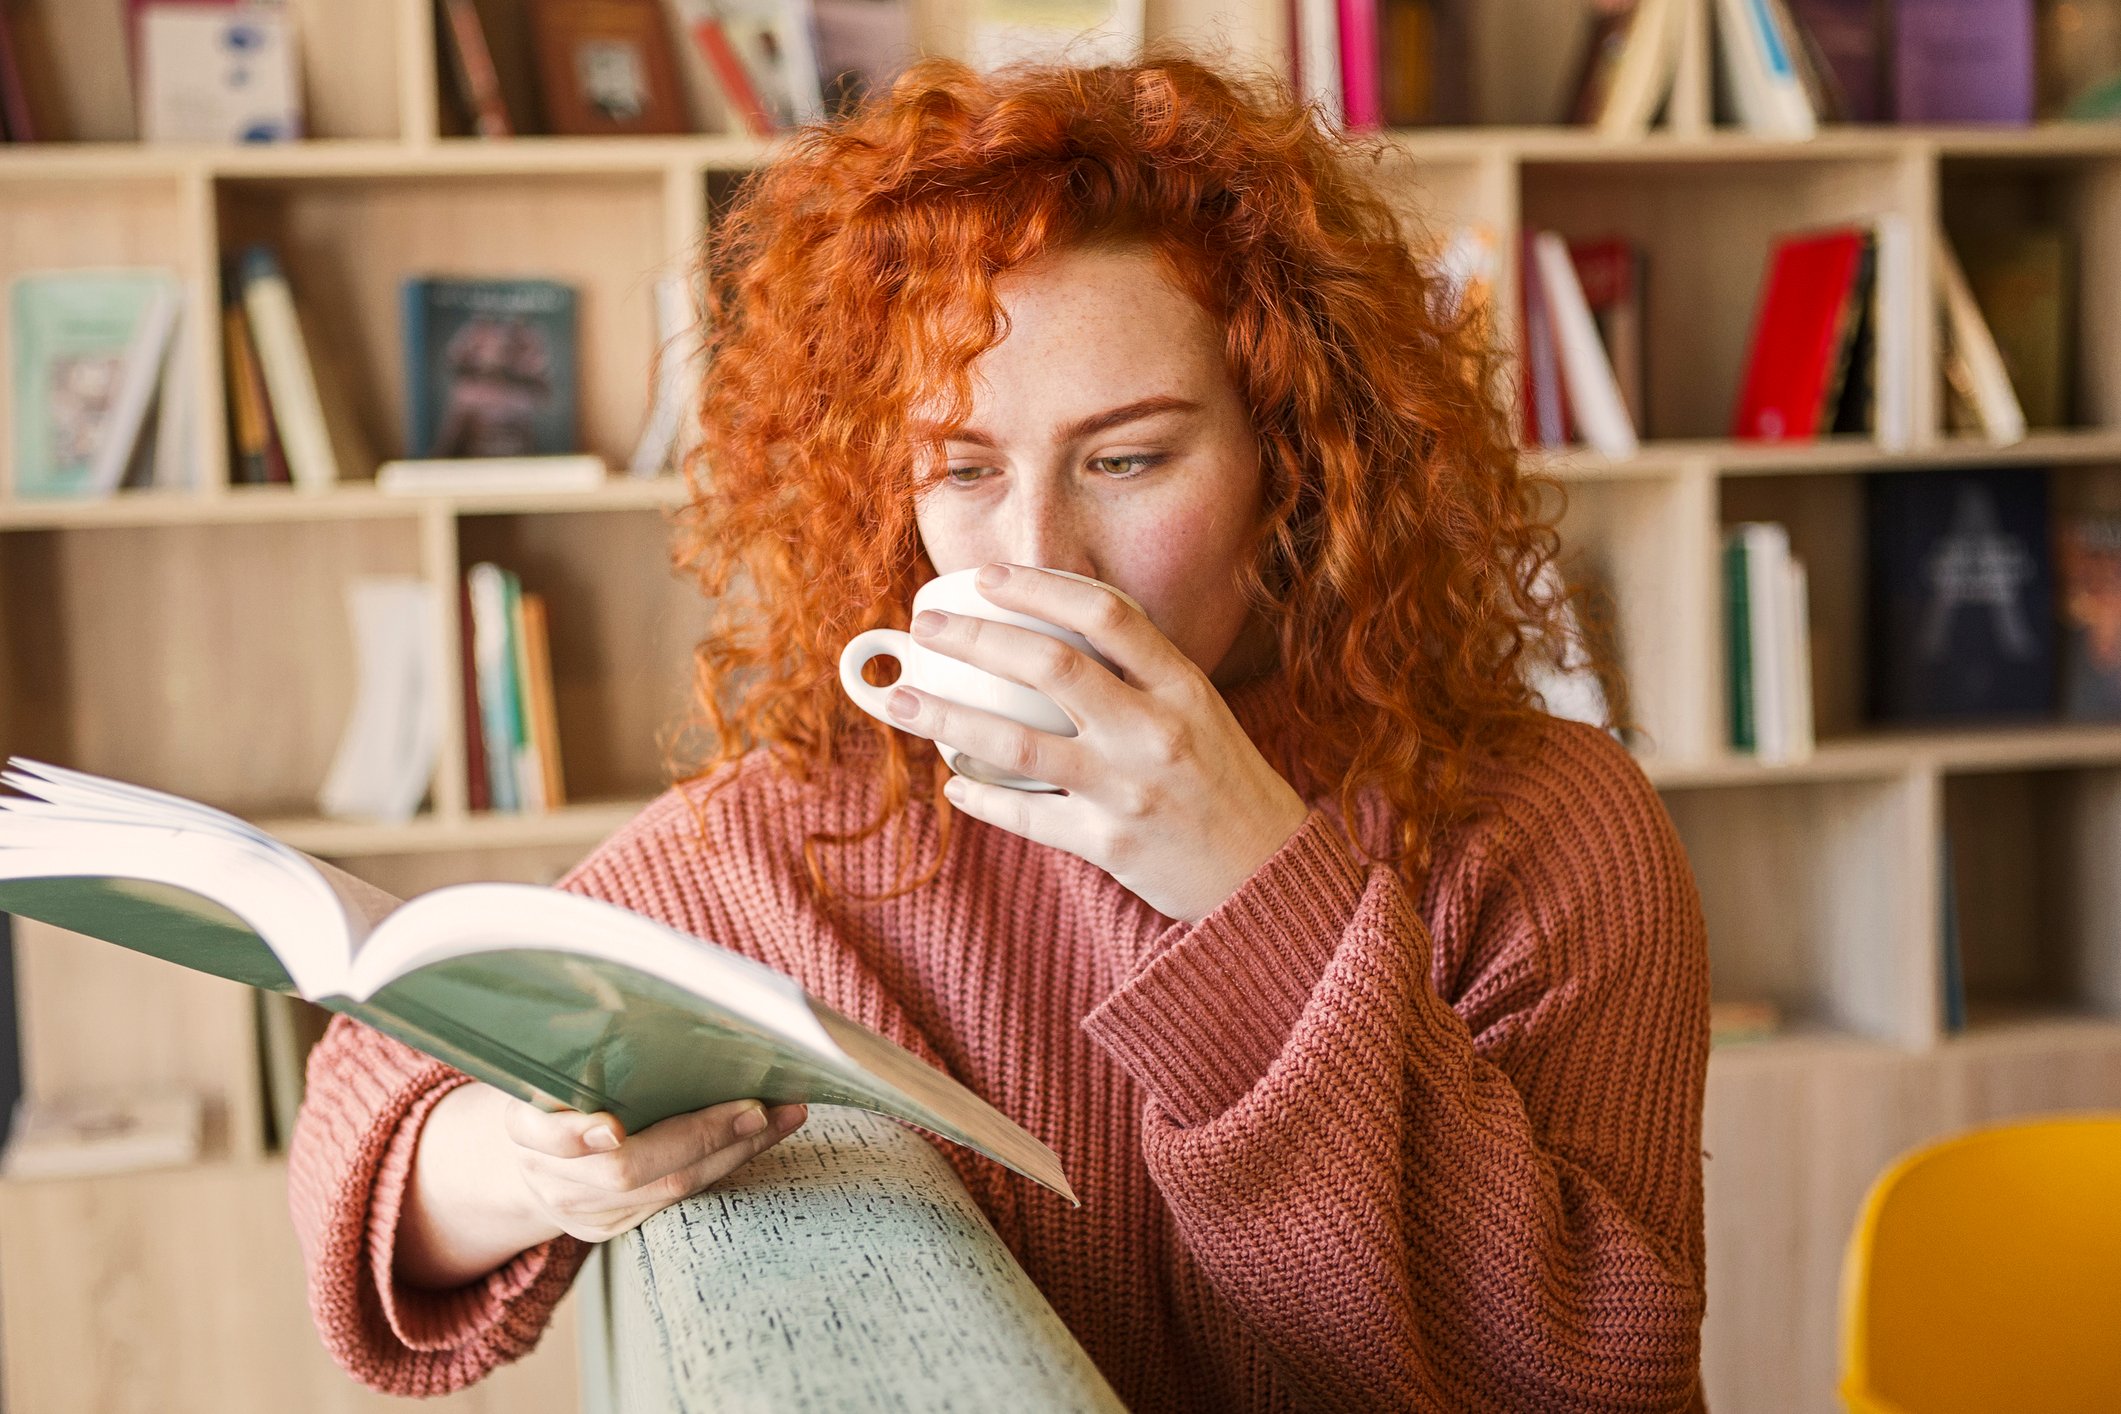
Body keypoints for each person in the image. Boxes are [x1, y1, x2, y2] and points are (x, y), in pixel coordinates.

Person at [288, 49, 1711, 1411]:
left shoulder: (1534, 822)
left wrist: (1250, 886)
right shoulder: (820, 825)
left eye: (1130, 458)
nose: (1035, 558)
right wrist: (527, 1170)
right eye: (961, 469)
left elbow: (1586, 1373)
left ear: (1293, 461)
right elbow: (377, 1109)